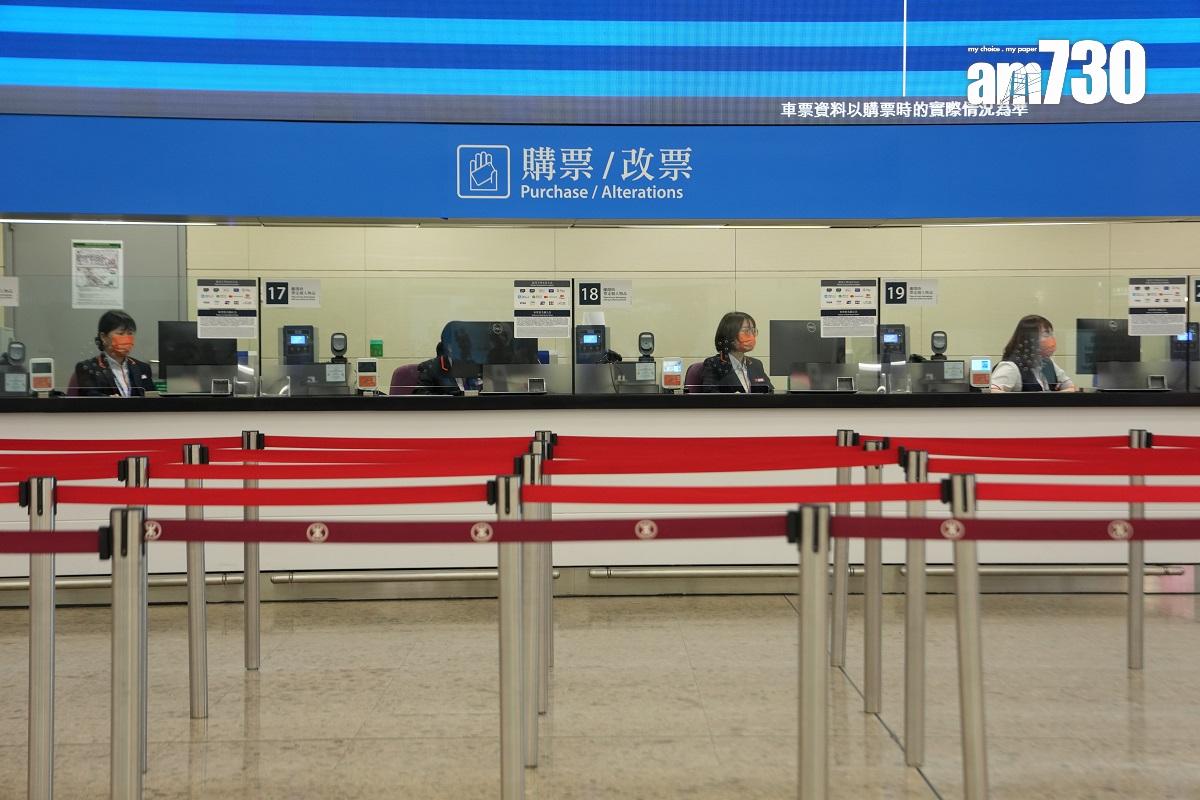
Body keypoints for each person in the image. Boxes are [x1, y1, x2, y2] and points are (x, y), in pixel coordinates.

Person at [73, 310, 157, 397]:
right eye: (120, 334)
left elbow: (152, 397)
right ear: (103, 337)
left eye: (130, 333)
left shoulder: (142, 368)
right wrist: (109, 400)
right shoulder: (88, 368)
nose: (126, 338)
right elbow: (89, 396)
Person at [989, 314, 1077, 393]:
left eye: (1051, 335)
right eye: (1046, 335)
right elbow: (992, 392)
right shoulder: (1011, 366)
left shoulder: (1048, 363)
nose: (1052, 340)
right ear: (1029, 339)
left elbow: (1071, 387)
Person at [697, 311, 774, 393]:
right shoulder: (714, 364)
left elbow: (770, 392)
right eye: (746, 331)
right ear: (729, 334)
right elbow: (710, 395)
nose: (751, 336)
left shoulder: (756, 364)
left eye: (753, 331)